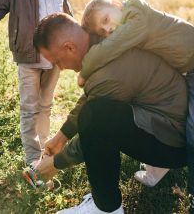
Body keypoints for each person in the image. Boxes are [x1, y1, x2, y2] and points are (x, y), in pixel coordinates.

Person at [33, 13, 187, 214]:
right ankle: (154, 168)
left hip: (175, 144)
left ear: (69, 47)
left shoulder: (108, 70)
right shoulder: (104, 43)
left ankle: (105, 208)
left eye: (56, 61)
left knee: (98, 117)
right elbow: (93, 94)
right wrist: (61, 136)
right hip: (172, 120)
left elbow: (94, 121)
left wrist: (55, 164)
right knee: (96, 110)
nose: (59, 68)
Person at [77, 0, 194, 210]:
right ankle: (156, 170)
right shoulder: (131, 22)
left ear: (116, 4)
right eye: (102, 31)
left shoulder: (138, 18)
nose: (108, 29)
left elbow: (107, 49)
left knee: (192, 131)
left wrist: (84, 72)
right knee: (155, 104)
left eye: (106, 20)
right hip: (186, 71)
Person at [0, 0, 72, 165]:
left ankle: (44, 153)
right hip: (28, 57)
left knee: (45, 106)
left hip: (54, 60)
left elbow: (67, 20)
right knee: (30, 109)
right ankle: (32, 160)